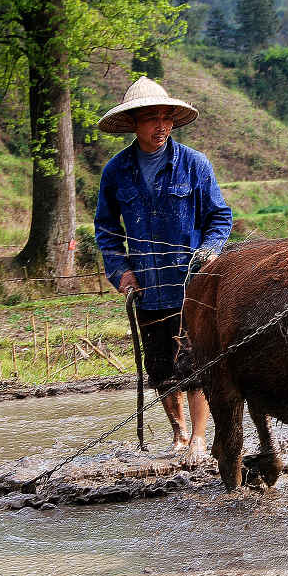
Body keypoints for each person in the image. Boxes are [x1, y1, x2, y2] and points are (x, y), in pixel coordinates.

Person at [94, 76, 232, 462]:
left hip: (191, 284)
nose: (161, 126)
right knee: (161, 367)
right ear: (134, 124)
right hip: (147, 286)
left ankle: (200, 440)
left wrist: (209, 249)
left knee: (197, 360)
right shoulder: (116, 172)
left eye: (166, 118)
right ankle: (178, 434)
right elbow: (105, 229)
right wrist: (119, 271)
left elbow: (219, 216)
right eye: (151, 119)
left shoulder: (194, 165)